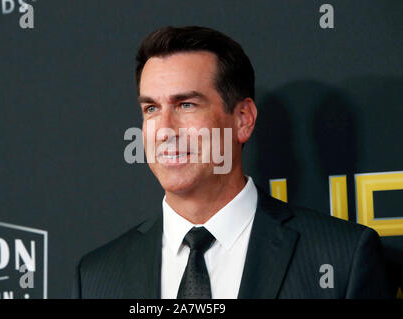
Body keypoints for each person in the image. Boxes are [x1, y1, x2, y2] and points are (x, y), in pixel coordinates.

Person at [72, 26, 393, 299]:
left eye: (186, 105)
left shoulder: (341, 258)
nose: (165, 131)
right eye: (151, 109)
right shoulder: (98, 276)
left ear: (243, 119)